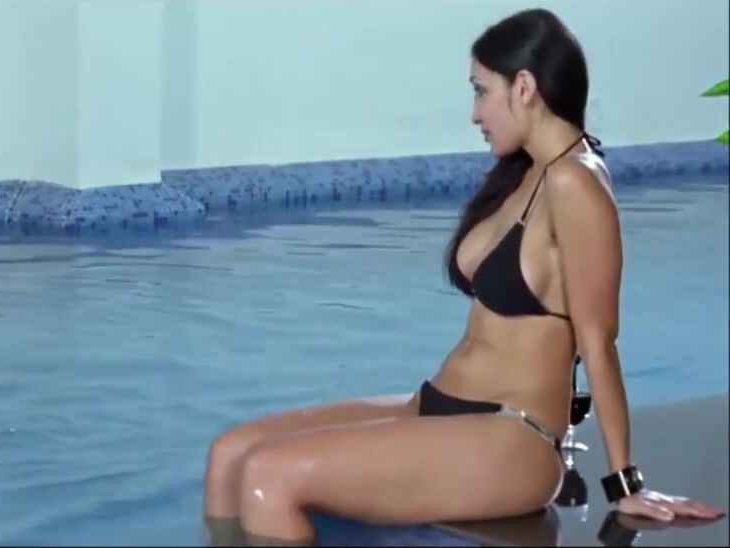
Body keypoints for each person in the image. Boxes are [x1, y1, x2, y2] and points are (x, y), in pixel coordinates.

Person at [201, 9, 724, 545]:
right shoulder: (527, 171)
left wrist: (625, 484)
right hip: (438, 405)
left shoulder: (575, 184)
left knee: (269, 477)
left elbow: (599, 341)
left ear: (524, 87)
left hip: (511, 437)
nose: (475, 113)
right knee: (229, 455)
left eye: (481, 90)